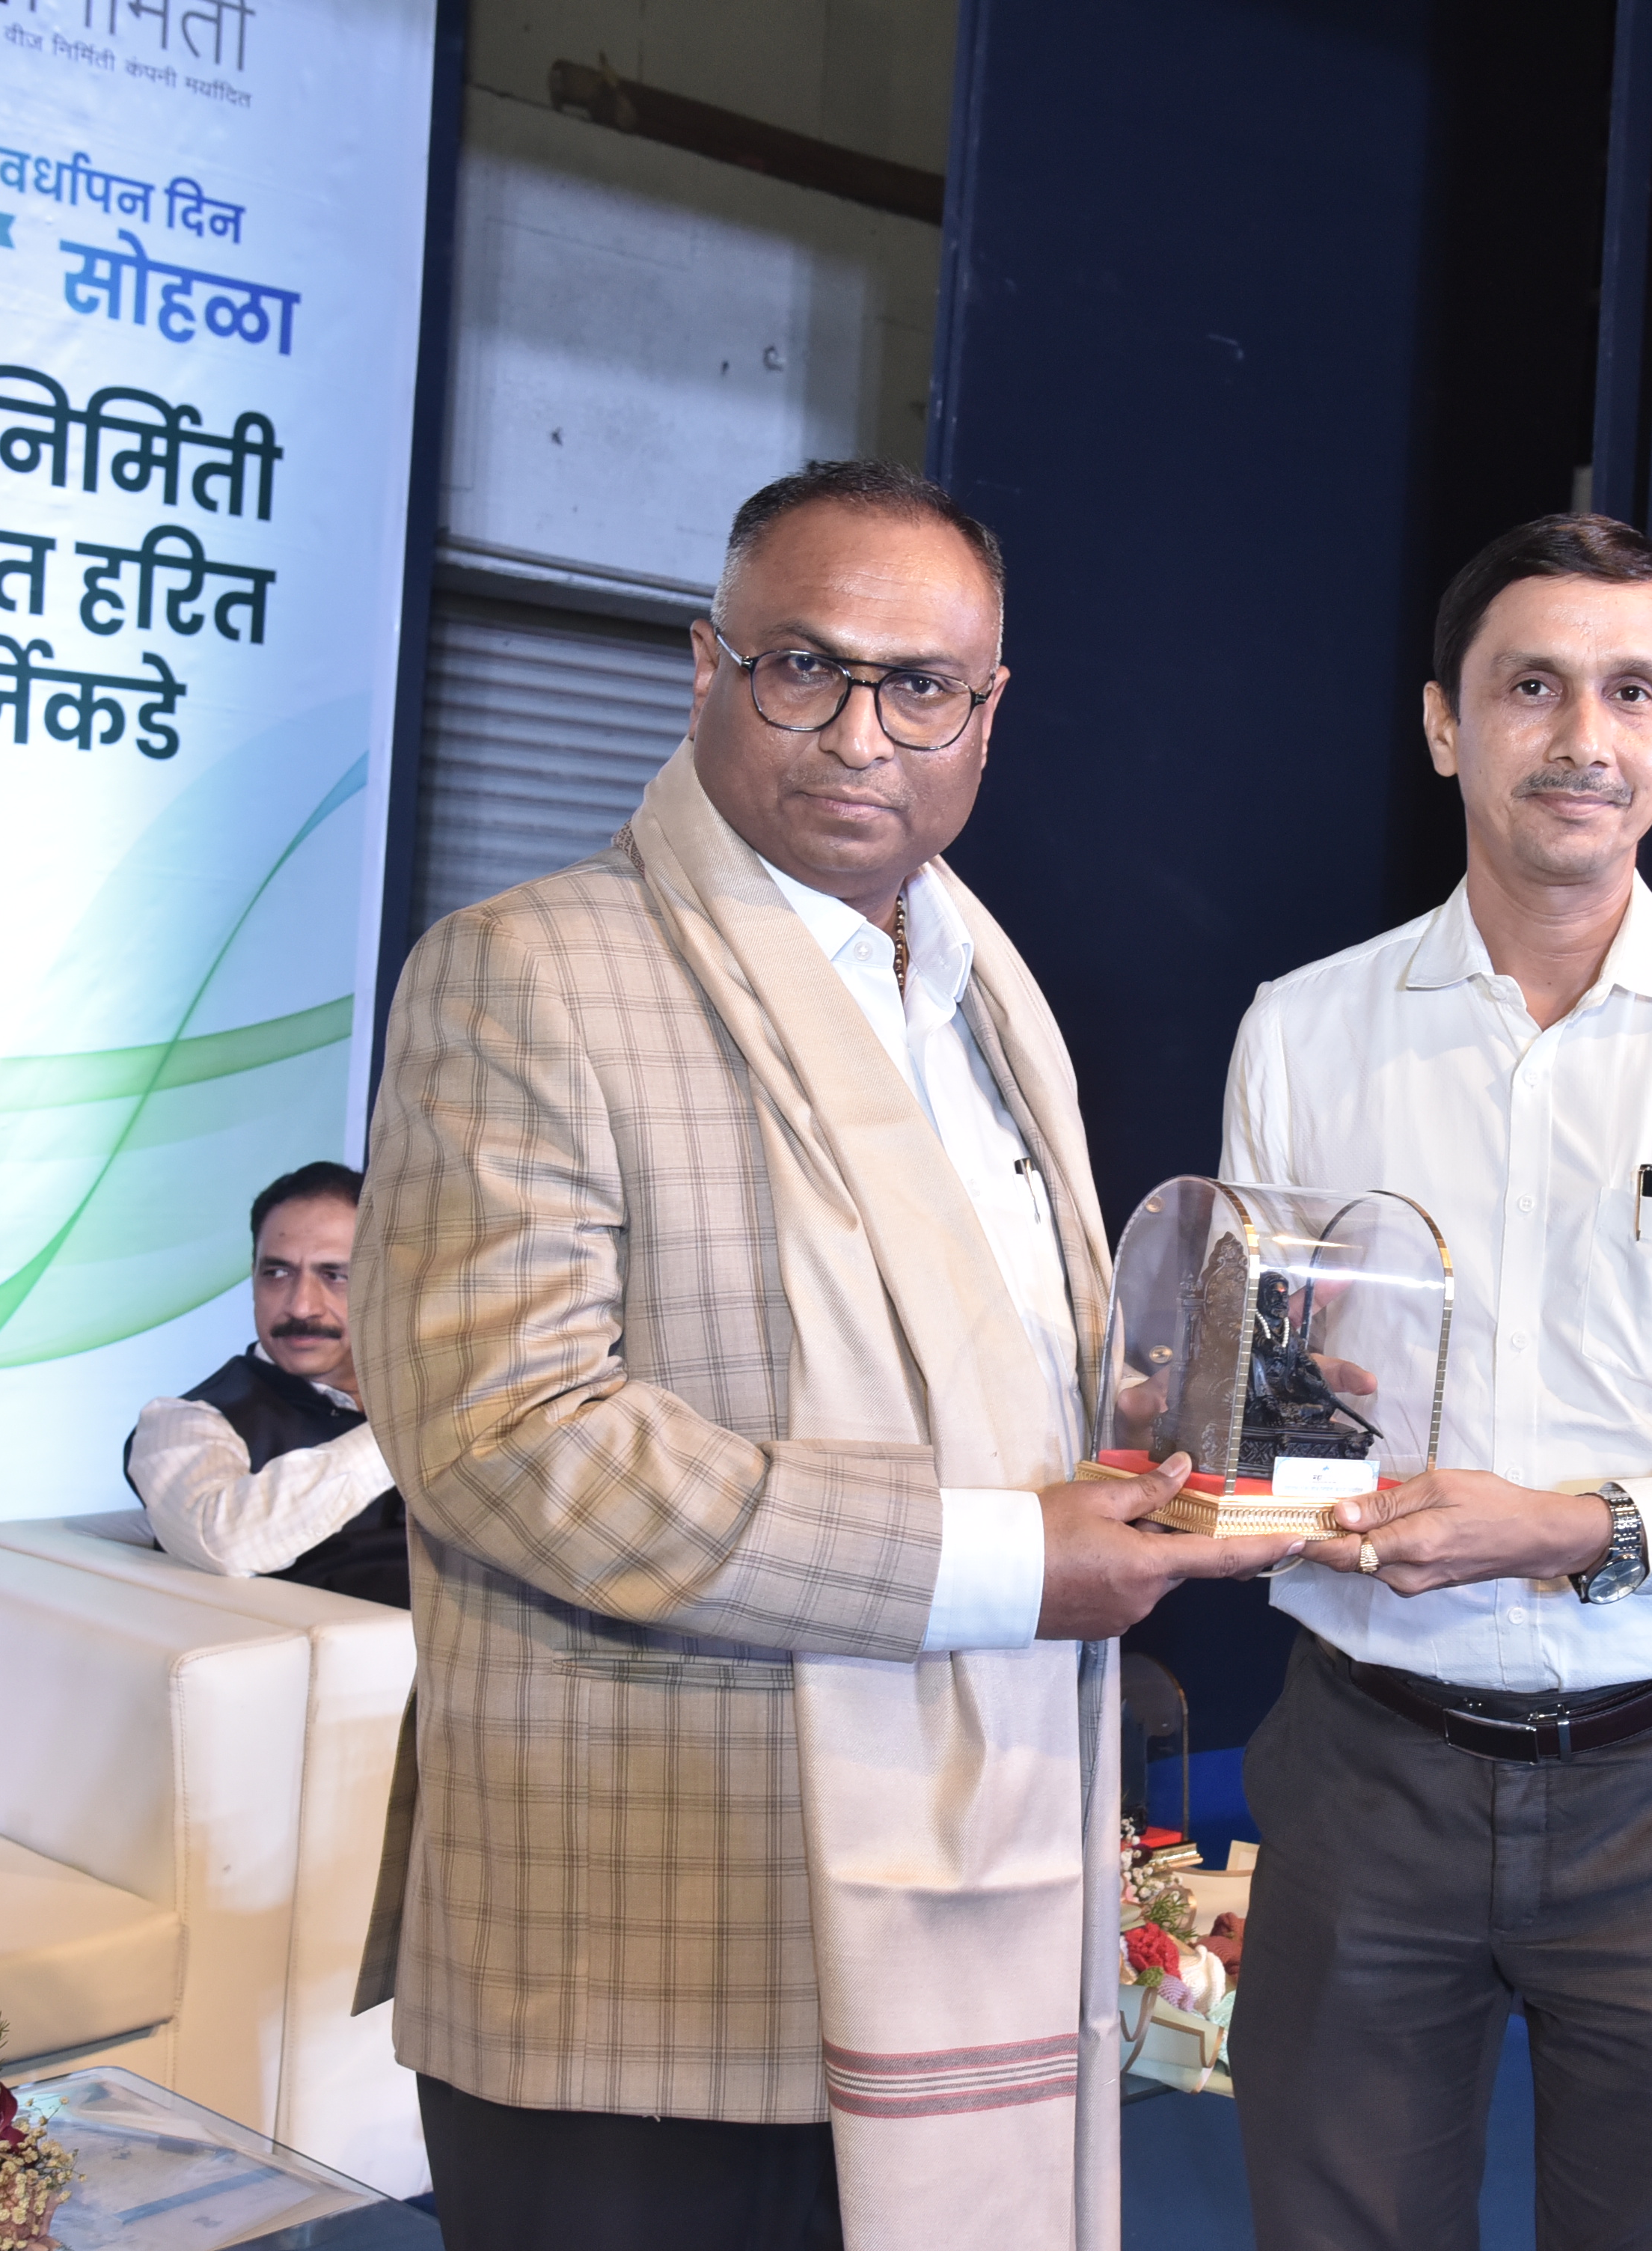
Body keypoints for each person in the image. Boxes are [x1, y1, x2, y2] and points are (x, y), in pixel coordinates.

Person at [351, 461, 1294, 2251]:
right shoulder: (529, 971)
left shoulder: (984, 991)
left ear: (987, 714)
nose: (861, 734)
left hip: (960, 1897)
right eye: (804, 667)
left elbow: (975, 1367)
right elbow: (506, 1437)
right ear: (707, 666)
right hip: (649, 1946)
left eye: (919, 685)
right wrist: (1007, 1557)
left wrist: (1154, 1424)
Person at [1217, 514, 1652, 2251]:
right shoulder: (1303, 1031)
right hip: (1363, 1768)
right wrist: (1236, 1455)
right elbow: (1275, 1397)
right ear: (1443, 723)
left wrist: (1573, 1528)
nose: (1583, 736)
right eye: (1529, 686)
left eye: (1631, 691)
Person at [123, 1161, 409, 1607]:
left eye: (335, 1275)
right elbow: (226, 1543)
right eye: (277, 1273)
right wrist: (408, 1430)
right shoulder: (182, 1423)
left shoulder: (432, 1396)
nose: (301, 1306)